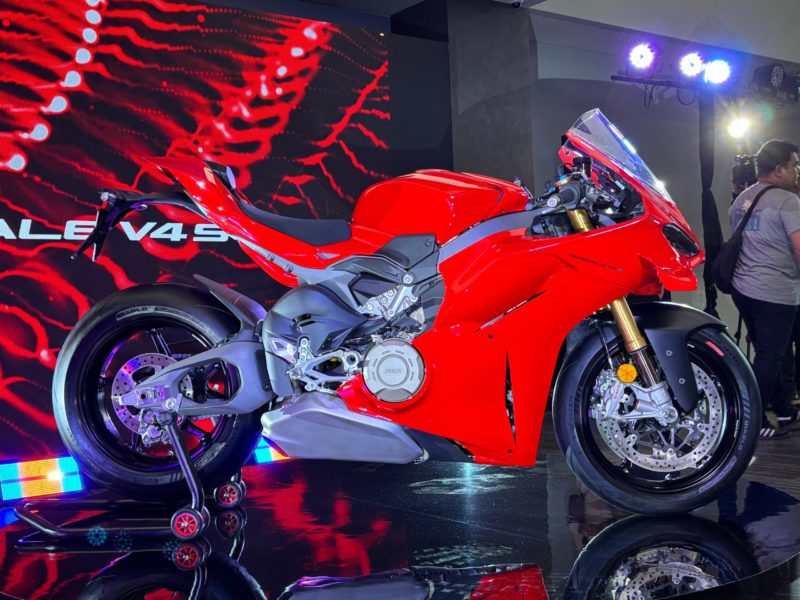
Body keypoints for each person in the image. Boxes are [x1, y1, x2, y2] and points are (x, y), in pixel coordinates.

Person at [730, 139, 800, 439]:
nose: (797, 171)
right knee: (771, 357)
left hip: (744, 290)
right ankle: (753, 422)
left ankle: (783, 410)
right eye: (795, 165)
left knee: (768, 353)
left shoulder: (741, 200)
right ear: (779, 169)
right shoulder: (787, 201)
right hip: (775, 292)